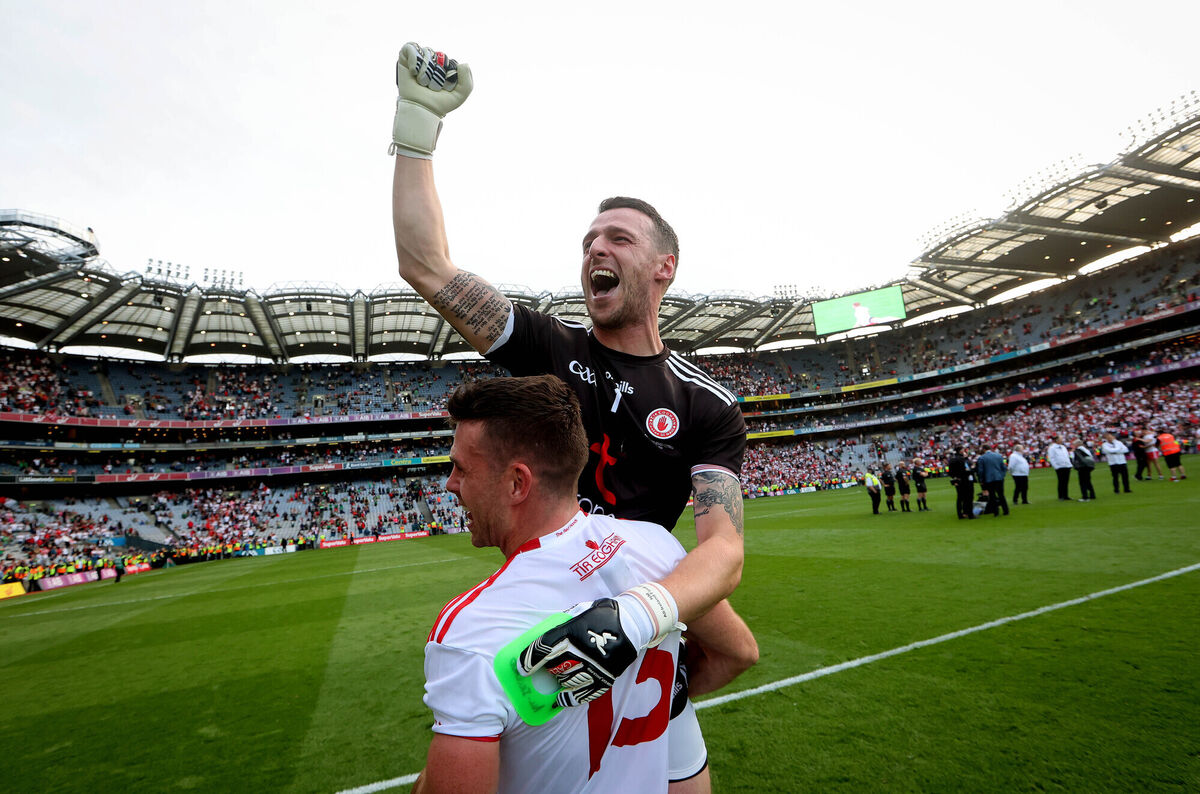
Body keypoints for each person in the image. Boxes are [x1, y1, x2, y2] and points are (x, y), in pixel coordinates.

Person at [389, 43, 755, 790]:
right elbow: (425, 264)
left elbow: (723, 553)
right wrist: (417, 125)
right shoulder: (548, 346)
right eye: (589, 240)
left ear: (663, 267)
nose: (596, 247)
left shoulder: (708, 404)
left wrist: (631, 626)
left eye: (617, 238)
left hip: (644, 607)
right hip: (541, 620)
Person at [415, 376, 749, 793]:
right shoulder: (655, 546)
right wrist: (658, 700)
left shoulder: (470, 632)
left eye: (461, 468)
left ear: (518, 483)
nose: (450, 483)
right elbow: (738, 652)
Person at [975, 446, 1009, 517]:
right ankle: (1006, 510)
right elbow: (1004, 467)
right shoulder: (998, 456)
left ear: (984, 449)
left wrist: (981, 480)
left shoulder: (982, 458)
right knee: (1001, 495)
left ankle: (996, 512)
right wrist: (1002, 475)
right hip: (999, 478)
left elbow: (981, 471)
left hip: (989, 479)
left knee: (992, 496)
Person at [947, 446, 975, 519]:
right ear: (961, 451)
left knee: (960, 498)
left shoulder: (952, 460)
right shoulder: (962, 459)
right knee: (968, 497)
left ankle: (960, 514)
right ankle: (970, 514)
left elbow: (950, 472)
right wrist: (972, 469)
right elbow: (966, 470)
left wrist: (955, 477)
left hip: (957, 481)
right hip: (965, 480)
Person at [1046, 437, 1073, 501]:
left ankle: (1066, 495)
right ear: (1057, 440)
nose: (1062, 440)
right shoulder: (1052, 448)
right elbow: (1051, 458)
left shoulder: (1063, 447)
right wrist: (1056, 466)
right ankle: (1061, 496)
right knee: (1061, 481)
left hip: (1066, 465)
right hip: (1059, 466)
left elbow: (1067, 456)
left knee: (1066, 481)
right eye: (1061, 439)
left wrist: (1069, 464)